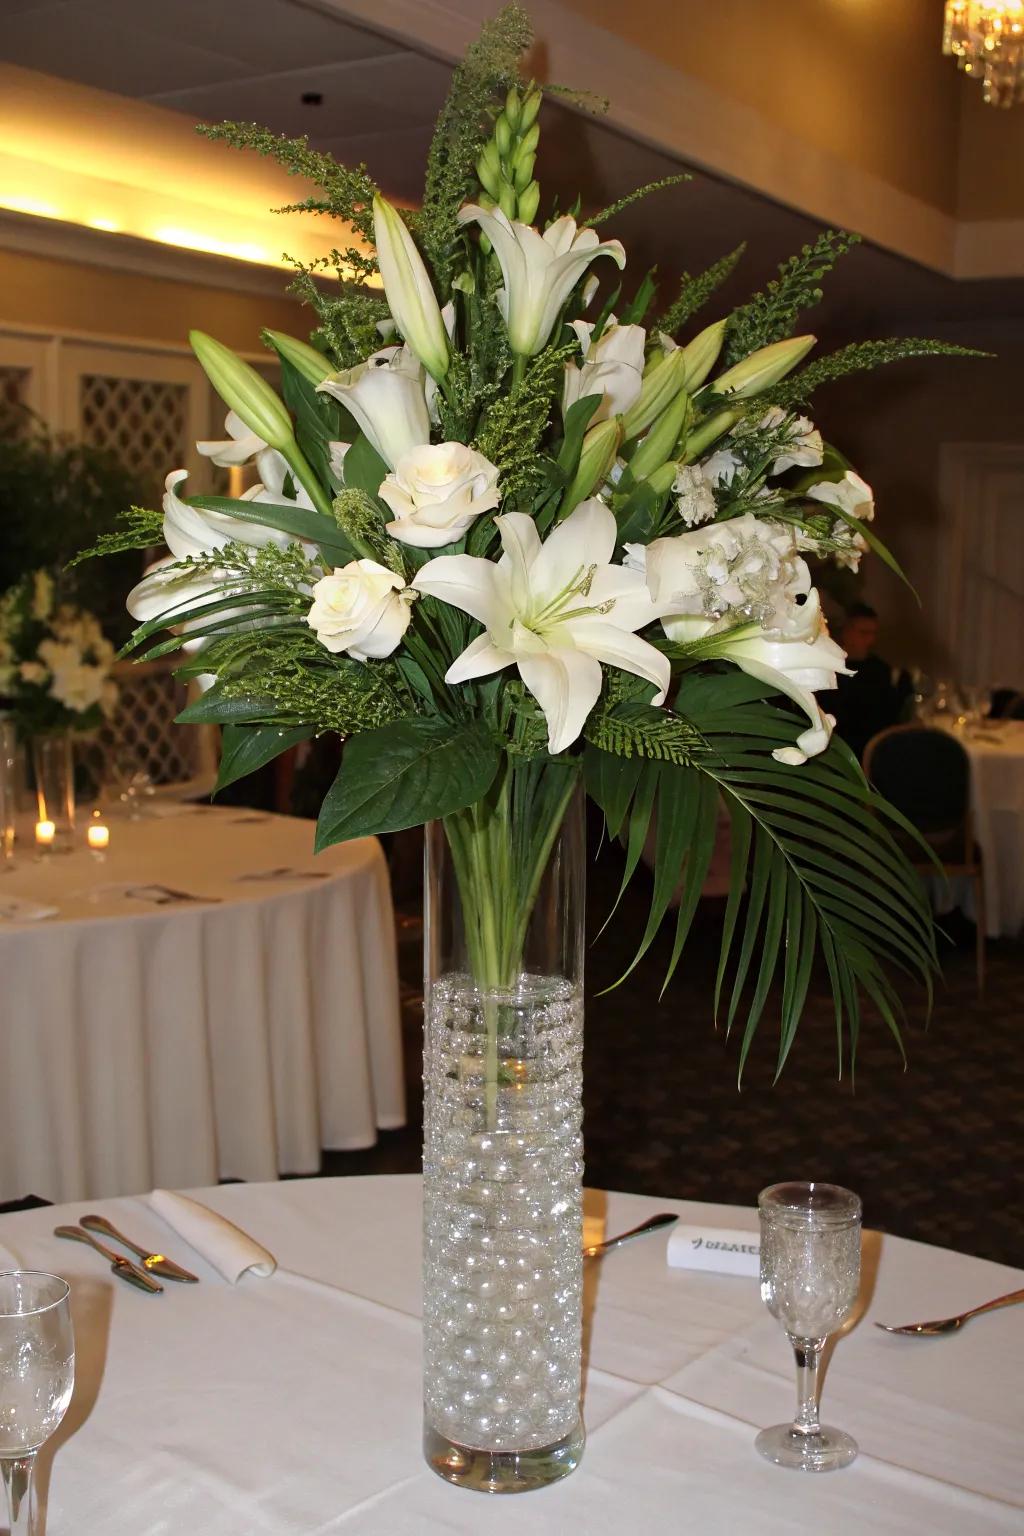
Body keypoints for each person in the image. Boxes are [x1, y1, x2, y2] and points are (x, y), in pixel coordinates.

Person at [820, 603, 909, 762]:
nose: (870, 639)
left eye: (873, 633)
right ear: (847, 632)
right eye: (863, 633)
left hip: (876, 753)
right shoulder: (830, 667)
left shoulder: (880, 669)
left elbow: (889, 719)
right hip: (839, 752)